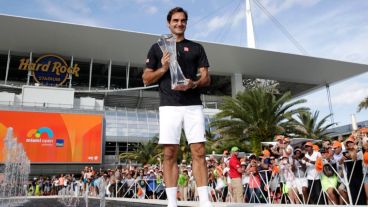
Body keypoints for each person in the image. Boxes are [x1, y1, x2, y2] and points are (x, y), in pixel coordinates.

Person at [142, 7, 211, 207]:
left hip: (193, 105)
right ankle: (172, 203)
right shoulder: (157, 48)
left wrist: (195, 83)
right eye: (175, 20)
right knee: (169, 153)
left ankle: (205, 202)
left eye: (182, 20)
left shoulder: (197, 47)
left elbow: (206, 77)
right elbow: (146, 78)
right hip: (169, 106)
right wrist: (163, 67)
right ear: (168, 23)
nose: (179, 24)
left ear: (186, 23)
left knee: (199, 150)